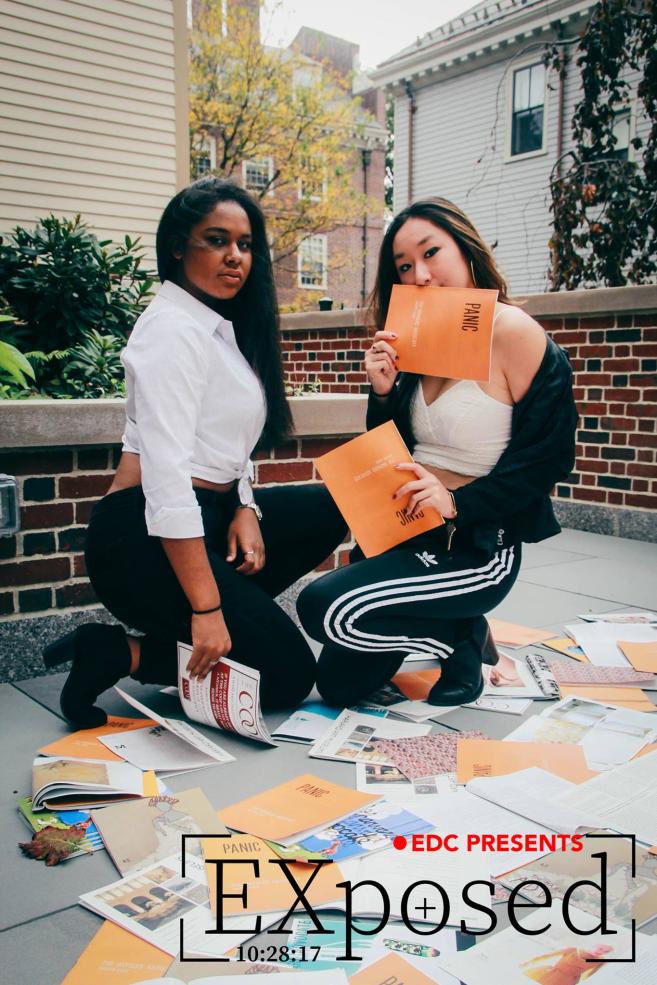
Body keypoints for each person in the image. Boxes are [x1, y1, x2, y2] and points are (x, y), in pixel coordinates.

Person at [44, 177, 346, 727]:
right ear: (179, 246)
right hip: (140, 539)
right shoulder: (171, 332)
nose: (236, 257)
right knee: (286, 679)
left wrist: (246, 507)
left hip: (207, 519)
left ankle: (214, 621)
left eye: (246, 244)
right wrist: (207, 610)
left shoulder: (217, 328)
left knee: (330, 508)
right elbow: (165, 483)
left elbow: (232, 442)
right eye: (217, 240)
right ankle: (123, 651)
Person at [297, 197, 577, 707]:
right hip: (405, 530)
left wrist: (458, 504)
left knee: (325, 608)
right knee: (338, 687)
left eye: (431, 253)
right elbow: (394, 447)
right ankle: (459, 632)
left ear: (466, 250)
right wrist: (382, 392)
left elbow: (550, 458)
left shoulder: (514, 333)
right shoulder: (416, 342)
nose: (420, 274)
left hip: (474, 543)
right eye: (405, 266)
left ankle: (458, 639)